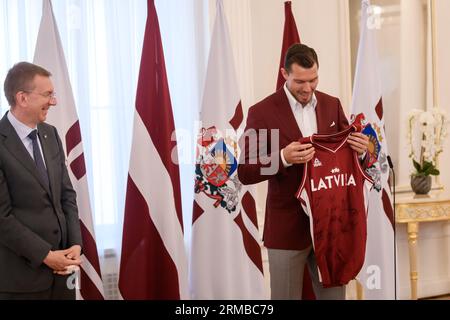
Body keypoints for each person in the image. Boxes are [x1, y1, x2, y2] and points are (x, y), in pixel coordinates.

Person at [238, 44, 369, 300]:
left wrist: (362, 151)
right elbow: (245, 171)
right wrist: (282, 158)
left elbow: (347, 158)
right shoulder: (261, 112)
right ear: (284, 74)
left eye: (313, 80)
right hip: (286, 230)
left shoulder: (332, 105)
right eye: (300, 81)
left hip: (332, 227)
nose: (308, 88)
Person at [0, 62, 82, 300]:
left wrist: (75, 244)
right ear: (22, 98)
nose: (53, 101)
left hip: (64, 273)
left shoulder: (51, 134)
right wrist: (46, 255)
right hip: (21, 280)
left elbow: (67, 196)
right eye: (47, 95)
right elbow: (2, 218)